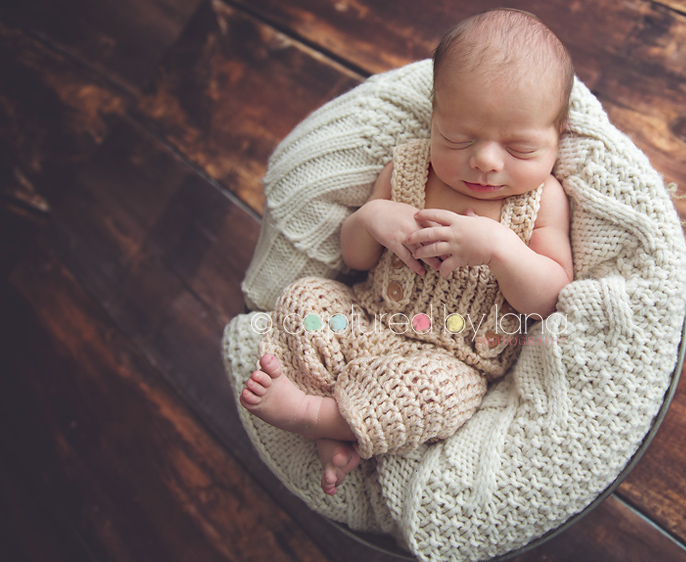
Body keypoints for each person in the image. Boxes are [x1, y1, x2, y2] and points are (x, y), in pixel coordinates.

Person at [239, 8, 575, 496]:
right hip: (365, 322)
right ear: (434, 115)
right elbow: (355, 260)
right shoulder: (410, 167)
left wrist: (501, 249)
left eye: (520, 149)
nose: (484, 160)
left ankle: (316, 414)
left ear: (557, 136)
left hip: (452, 357)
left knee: (442, 398)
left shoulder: (540, 201)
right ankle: (336, 432)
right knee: (304, 301)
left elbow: (549, 296)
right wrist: (372, 219)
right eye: (457, 138)